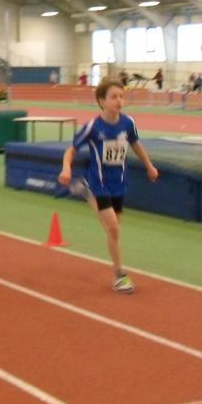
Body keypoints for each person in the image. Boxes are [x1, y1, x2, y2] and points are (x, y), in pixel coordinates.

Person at [58, 78, 158, 294]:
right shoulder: (93, 127)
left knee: (112, 231)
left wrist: (149, 165)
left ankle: (86, 193)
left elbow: (135, 144)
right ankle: (120, 276)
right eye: (114, 97)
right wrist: (66, 168)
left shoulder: (128, 123)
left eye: (121, 96)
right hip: (99, 181)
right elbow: (71, 150)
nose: (119, 101)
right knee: (113, 227)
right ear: (102, 101)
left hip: (119, 182)